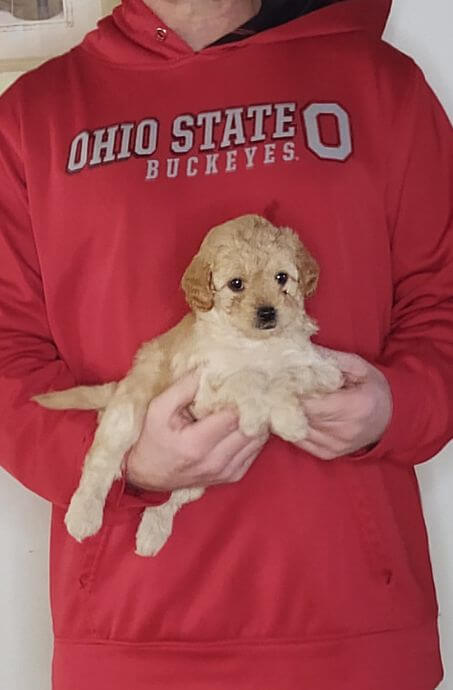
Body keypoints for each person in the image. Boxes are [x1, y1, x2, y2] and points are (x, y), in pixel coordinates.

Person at [0, 0, 451, 688]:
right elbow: (6, 352)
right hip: (131, 634)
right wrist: (124, 456)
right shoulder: (34, 115)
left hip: (353, 631)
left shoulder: (378, 83)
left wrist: (396, 406)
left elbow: (441, 303)